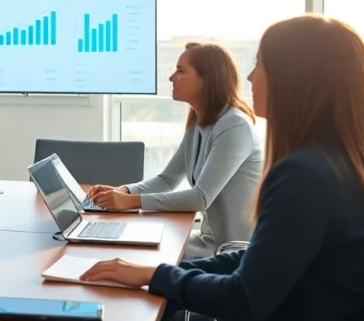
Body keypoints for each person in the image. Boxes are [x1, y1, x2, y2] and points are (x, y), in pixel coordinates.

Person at [79, 14, 364, 321]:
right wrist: (157, 273)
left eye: (260, 65)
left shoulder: (305, 175)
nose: (251, 77)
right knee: (156, 309)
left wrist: (157, 276)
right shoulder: (343, 161)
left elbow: (244, 299)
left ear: (298, 79)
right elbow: (257, 261)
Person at [88, 42, 262, 260]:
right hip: (210, 242)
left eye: (180, 71)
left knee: (141, 258)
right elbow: (167, 179)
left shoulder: (235, 126)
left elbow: (200, 198)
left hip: (235, 252)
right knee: (131, 248)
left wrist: (132, 202)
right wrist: (124, 191)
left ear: (207, 79)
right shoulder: (198, 123)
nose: (171, 77)